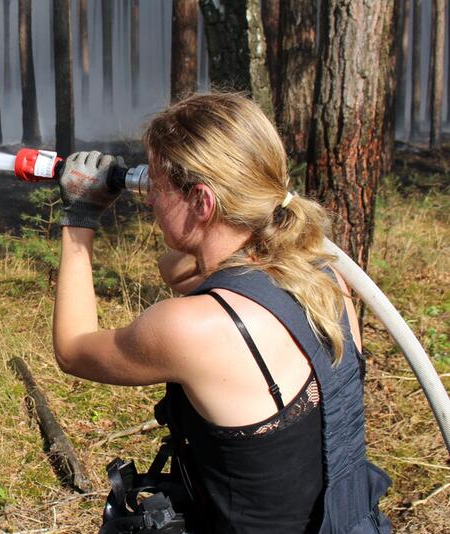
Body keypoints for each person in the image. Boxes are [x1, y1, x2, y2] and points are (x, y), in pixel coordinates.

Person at [52, 93, 391, 533]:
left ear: (203, 202)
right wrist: (179, 211)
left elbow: (72, 351)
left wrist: (80, 217)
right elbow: (180, 268)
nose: (150, 200)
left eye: (157, 187)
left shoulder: (195, 327)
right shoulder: (322, 274)